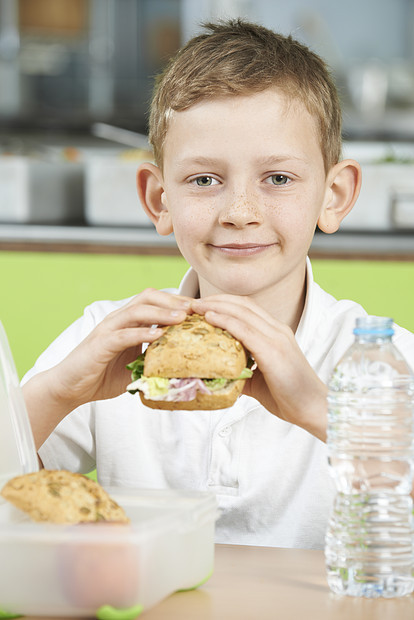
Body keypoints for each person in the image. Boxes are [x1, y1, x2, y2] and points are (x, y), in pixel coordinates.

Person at [21, 19, 414, 549]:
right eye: (204, 180)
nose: (240, 213)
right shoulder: (107, 339)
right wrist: (59, 391)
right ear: (160, 199)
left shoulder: (382, 361)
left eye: (278, 178)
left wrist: (323, 411)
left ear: (335, 195)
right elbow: (13, 492)